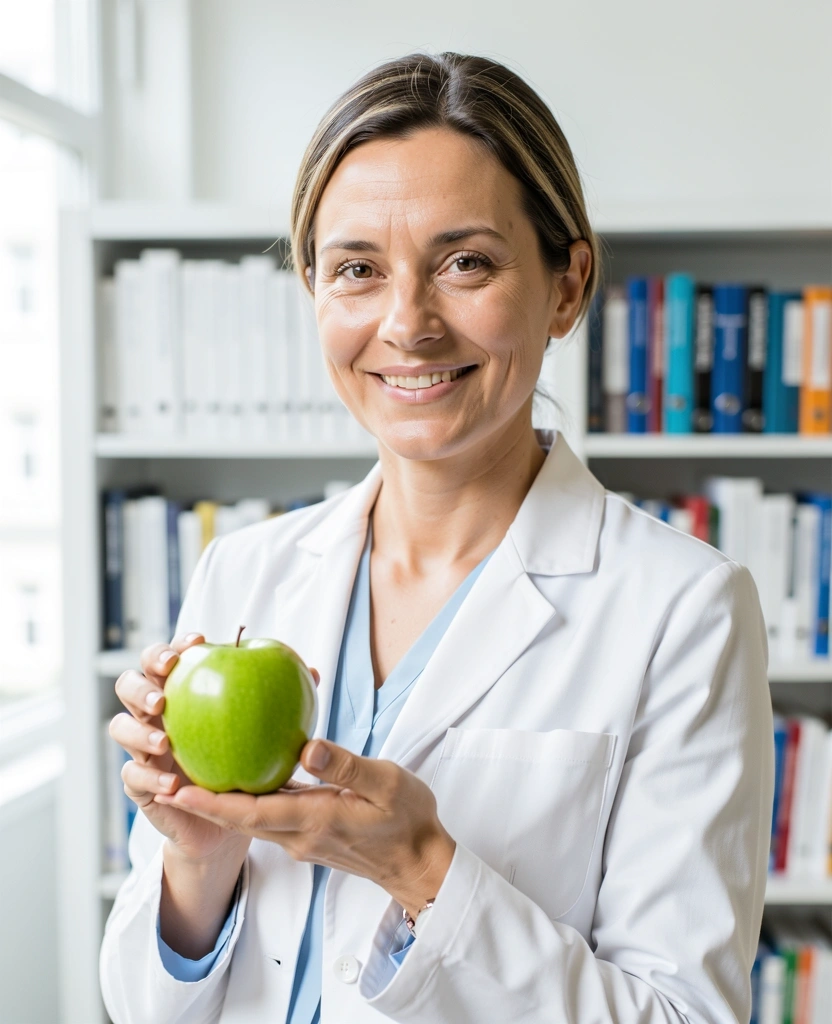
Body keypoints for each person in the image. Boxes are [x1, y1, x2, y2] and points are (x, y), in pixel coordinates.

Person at [101, 51, 773, 1024]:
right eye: (357, 270)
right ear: (313, 290)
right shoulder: (243, 571)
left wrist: (423, 868)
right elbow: (141, 1005)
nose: (407, 323)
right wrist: (197, 861)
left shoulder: (684, 610)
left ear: (566, 284)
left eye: (466, 262)